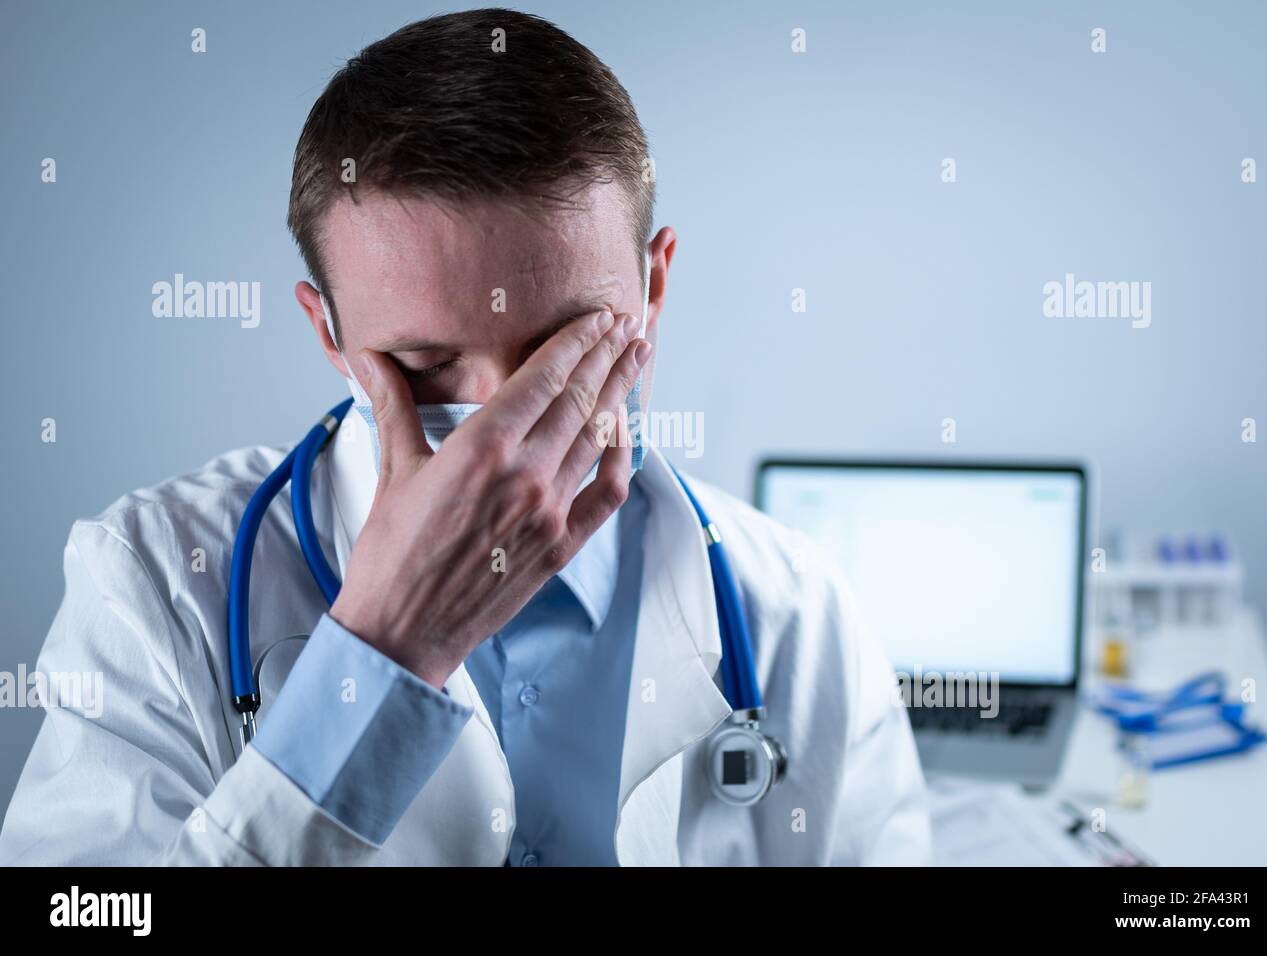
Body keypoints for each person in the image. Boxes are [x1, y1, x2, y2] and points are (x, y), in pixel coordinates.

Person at [0, 8, 930, 866]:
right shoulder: (156, 585)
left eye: (562, 351)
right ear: (329, 334)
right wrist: (381, 656)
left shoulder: (800, 613)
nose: (501, 437)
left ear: (653, 287)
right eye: (428, 366)